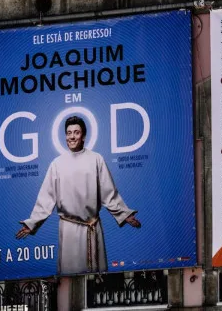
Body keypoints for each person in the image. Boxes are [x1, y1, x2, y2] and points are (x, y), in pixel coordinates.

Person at [15, 115, 141, 275]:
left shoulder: (96, 159)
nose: (72, 136)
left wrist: (124, 214)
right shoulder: (57, 164)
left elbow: (109, 193)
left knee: (97, 278)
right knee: (70, 277)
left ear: (83, 136)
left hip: (93, 226)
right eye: (68, 133)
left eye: (76, 132)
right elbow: (45, 198)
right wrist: (31, 223)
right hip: (69, 230)